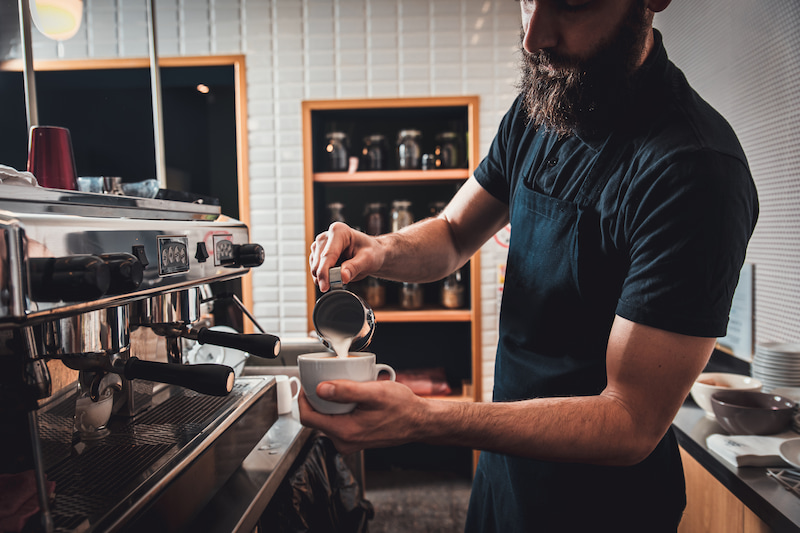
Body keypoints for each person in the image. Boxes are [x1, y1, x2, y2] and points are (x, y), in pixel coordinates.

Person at [302, 0, 759, 531]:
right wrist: (379, 249)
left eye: (569, 4)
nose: (533, 37)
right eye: (526, 0)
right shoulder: (542, 108)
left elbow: (631, 421)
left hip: (601, 509)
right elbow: (452, 234)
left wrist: (427, 419)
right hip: (505, 477)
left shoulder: (694, 171)